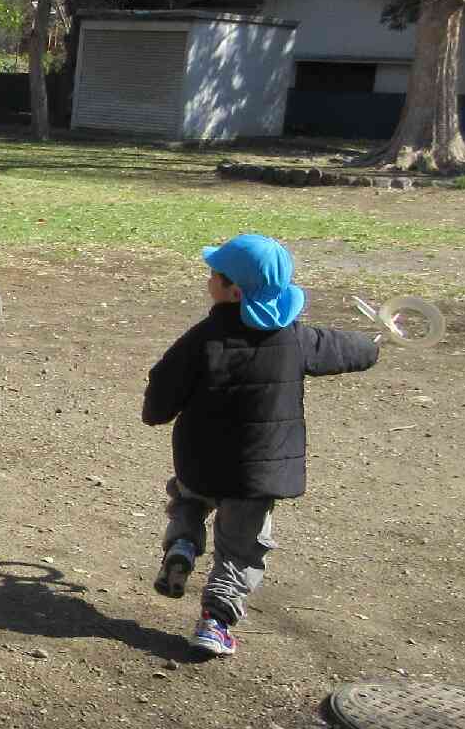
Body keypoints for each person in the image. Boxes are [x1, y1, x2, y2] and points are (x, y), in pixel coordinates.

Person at [142, 234, 378, 658]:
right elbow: (342, 348)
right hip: (258, 474)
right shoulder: (295, 338)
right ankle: (215, 622)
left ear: (233, 291)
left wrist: (155, 412)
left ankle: (182, 544)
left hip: (200, 459)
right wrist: (372, 347)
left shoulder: (204, 338)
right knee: (241, 547)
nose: (208, 279)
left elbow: (164, 383)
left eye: (214, 274)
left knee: (188, 498)